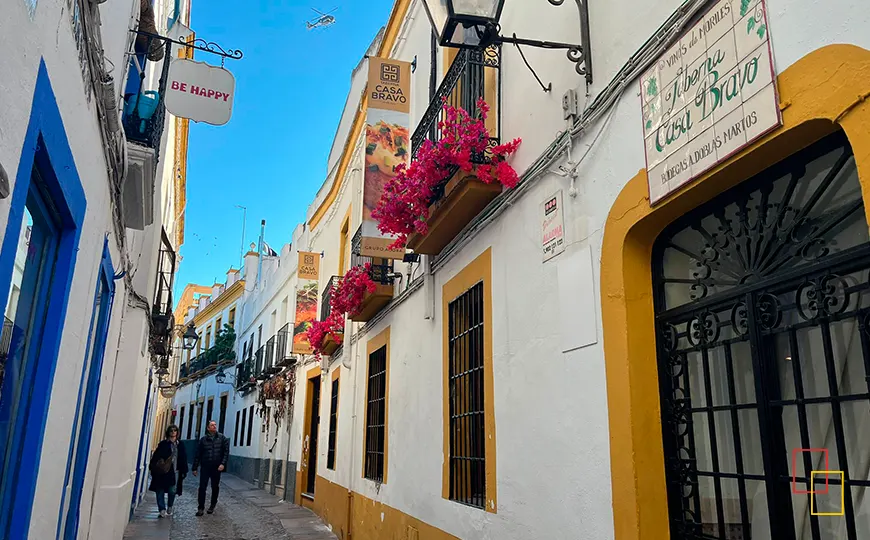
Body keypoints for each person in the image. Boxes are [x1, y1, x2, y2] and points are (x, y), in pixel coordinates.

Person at [148, 424, 188, 518]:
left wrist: (184, 470)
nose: (173, 432)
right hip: (163, 471)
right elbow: (156, 456)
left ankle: (170, 505)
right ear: (168, 432)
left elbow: (184, 458)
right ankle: (161, 509)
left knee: (172, 490)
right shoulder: (163, 444)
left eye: (175, 430)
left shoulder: (180, 444)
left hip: (175, 471)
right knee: (160, 489)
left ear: (177, 432)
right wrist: (153, 467)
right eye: (171, 430)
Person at [192, 420, 229, 516]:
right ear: (208, 428)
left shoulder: (222, 438)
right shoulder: (203, 440)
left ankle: (212, 504)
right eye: (212, 425)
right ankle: (201, 508)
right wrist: (195, 467)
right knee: (202, 487)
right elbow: (198, 454)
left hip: (216, 467)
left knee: (215, 487)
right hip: (205, 466)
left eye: (215, 425)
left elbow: (226, 452)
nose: (214, 426)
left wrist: (223, 464)